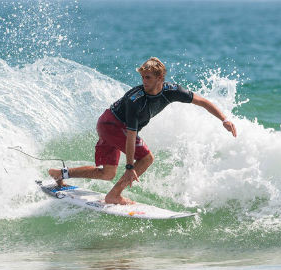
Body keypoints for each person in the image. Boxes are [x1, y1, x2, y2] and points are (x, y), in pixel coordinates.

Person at [49, 57, 237, 204]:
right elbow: (131, 136)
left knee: (107, 173)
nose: (144, 81)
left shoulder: (172, 91)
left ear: (160, 78)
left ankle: (61, 173)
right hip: (113, 125)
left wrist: (225, 119)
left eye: (148, 77)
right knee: (147, 158)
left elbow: (202, 101)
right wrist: (130, 167)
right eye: (142, 77)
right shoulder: (135, 100)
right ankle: (114, 195)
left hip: (107, 124)